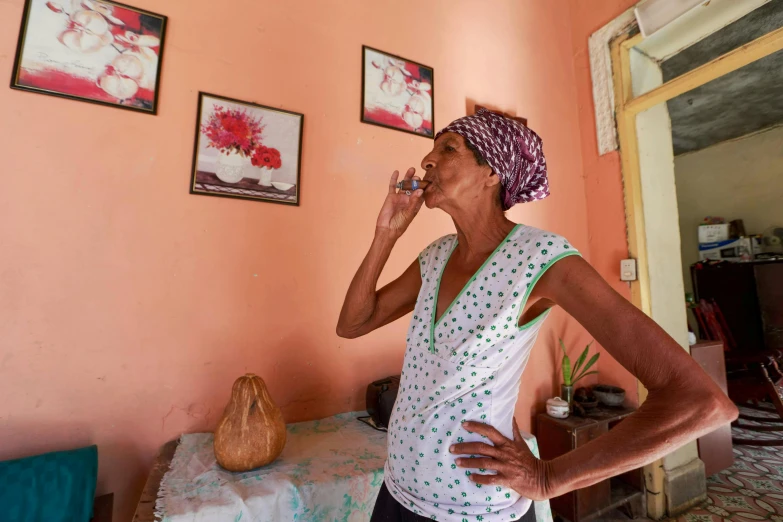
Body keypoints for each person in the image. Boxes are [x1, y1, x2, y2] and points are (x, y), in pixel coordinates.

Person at [336, 109, 738, 522]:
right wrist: (386, 236)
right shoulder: (435, 257)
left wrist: (549, 479)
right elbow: (352, 324)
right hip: (398, 492)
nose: (427, 160)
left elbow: (700, 402)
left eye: (448, 148)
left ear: (491, 171)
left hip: (472, 509)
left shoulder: (540, 259)